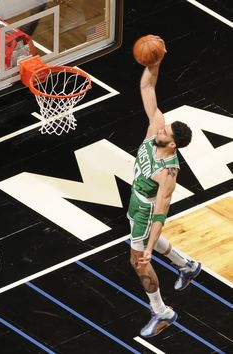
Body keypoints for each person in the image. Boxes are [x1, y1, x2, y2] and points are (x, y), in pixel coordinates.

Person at [127, 37, 201, 338]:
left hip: (146, 212)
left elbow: (160, 213)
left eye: (165, 131)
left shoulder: (167, 173)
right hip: (135, 203)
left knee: (138, 262)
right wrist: (154, 63)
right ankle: (188, 266)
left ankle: (161, 311)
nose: (159, 127)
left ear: (172, 144)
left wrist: (146, 249)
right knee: (146, 244)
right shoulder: (155, 128)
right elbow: (148, 88)